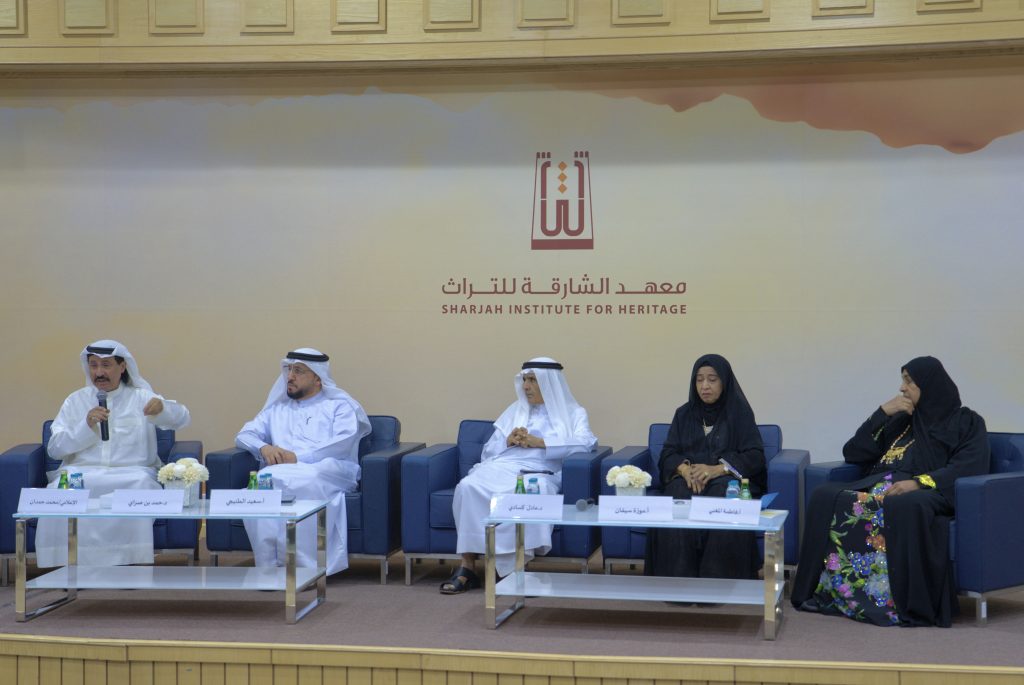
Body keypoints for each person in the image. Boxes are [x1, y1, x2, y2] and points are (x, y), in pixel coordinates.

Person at [791, 356, 989, 627]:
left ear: (930, 385)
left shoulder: (966, 422)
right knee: (824, 495)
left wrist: (919, 482)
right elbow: (853, 452)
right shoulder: (901, 420)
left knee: (899, 504)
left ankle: (888, 602)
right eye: (903, 380)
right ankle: (834, 593)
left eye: (909, 381)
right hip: (878, 485)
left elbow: (968, 466)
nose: (902, 388)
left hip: (925, 491)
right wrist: (882, 413)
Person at [441, 357, 597, 594]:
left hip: (541, 470)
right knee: (467, 486)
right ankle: (467, 566)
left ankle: (518, 570)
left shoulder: (574, 413)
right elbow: (488, 451)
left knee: (532, 492)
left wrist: (540, 442)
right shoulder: (515, 410)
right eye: (524, 380)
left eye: (532, 380)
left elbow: (585, 443)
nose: (526, 386)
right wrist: (508, 440)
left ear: (549, 383)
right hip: (504, 465)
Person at [36, 339, 191, 567]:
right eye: (94, 365)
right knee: (58, 492)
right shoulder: (75, 401)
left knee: (140, 487)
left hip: (132, 475)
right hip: (81, 474)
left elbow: (183, 418)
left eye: (106, 365)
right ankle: (65, 566)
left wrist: (164, 409)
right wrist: (85, 425)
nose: (99, 372)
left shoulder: (141, 397)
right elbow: (55, 449)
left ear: (123, 366)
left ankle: (129, 563)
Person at [236, 348, 371, 575]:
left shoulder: (339, 406)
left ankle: (304, 570)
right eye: (289, 370)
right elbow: (243, 435)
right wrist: (263, 447)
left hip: (330, 470)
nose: (290, 377)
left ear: (318, 378)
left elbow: (342, 444)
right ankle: (269, 568)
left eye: (298, 371)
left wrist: (298, 458)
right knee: (263, 481)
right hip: (283, 471)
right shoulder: (277, 409)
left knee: (305, 478)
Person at [645, 354, 767, 580]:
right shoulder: (683, 413)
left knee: (723, 493)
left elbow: (755, 455)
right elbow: (668, 453)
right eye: (699, 379)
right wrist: (684, 470)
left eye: (712, 379)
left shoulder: (739, 413)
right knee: (677, 492)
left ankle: (718, 581)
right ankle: (676, 580)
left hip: (725, 479)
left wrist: (716, 469)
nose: (705, 386)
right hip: (689, 481)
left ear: (724, 382)